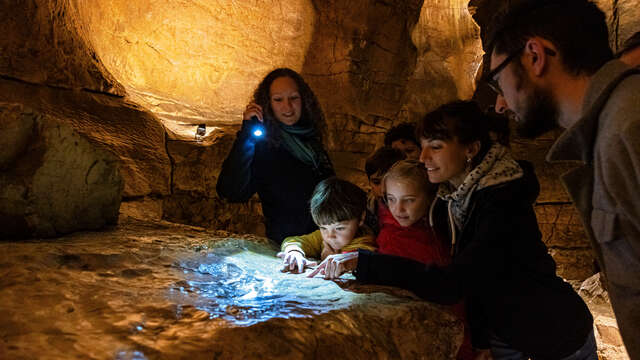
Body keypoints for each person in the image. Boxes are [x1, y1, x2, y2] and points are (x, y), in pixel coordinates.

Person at [311, 101, 596, 360]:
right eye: (422, 146)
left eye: (435, 146)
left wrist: (365, 261)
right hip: (505, 334)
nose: (422, 157)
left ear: (470, 149)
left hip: (555, 331)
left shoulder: (500, 203)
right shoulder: (453, 198)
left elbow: (455, 282)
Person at [488, 1, 640, 357]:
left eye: (498, 82)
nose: (500, 104)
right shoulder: (611, 129)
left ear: (535, 55)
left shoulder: (629, 126)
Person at [217, 68, 334, 244]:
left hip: (325, 244)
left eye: (293, 98)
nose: (287, 107)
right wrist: (246, 136)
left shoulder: (312, 143)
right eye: (278, 99)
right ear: (268, 104)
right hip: (289, 249)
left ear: (304, 100)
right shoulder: (264, 147)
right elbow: (232, 192)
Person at [278, 177, 376, 273]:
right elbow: (294, 241)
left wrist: (329, 259)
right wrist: (294, 252)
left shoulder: (365, 244)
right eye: (323, 227)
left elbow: (354, 264)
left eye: (340, 228)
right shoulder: (324, 237)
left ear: (361, 218)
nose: (329, 236)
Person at [363, 146, 406, 234]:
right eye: (376, 182)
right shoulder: (364, 209)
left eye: (389, 182)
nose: (383, 190)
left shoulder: (413, 209)